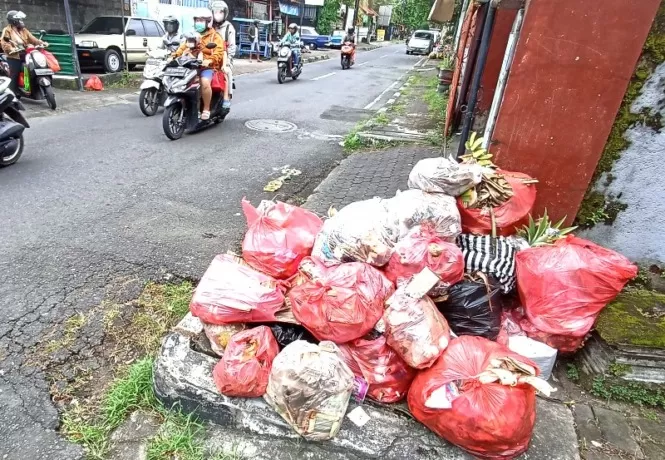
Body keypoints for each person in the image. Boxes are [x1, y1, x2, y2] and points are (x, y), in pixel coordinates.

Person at [172, 9, 226, 119]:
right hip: (190, 66)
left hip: (206, 67)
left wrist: (210, 60)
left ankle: (206, 108)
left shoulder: (215, 37)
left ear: (208, 22)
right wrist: (173, 56)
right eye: (197, 20)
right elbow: (182, 47)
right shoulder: (192, 35)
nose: (198, 22)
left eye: (201, 20)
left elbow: (219, 52)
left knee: (204, 83)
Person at [1, 11, 48, 94]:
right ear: (14, 21)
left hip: (25, 54)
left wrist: (41, 43)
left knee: (35, 67)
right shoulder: (7, 30)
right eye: (20, 20)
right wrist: (11, 49)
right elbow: (4, 43)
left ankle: (34, 87)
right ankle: (13, 93)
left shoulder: (24, 30)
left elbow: (33, 39)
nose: (22, 21)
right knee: (14, 75)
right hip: (14, 56)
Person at [210, 1, 235, 105]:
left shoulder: (229, 27)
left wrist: (228, 60)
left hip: (224, 57)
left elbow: (232, 46)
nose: (218, 14)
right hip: (210, 56)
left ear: (225, 13)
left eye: (220, 12)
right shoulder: (209, 25)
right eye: (215, 12)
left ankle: (227, 97)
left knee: (226, 71)